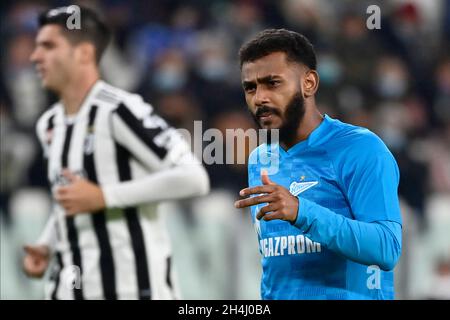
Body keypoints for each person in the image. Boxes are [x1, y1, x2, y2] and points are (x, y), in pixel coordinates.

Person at [23, 6, 210, 300]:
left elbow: (194, 178)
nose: (35, 56)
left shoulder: (120, 110)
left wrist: (104, 196)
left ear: (83, 53)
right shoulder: (50, 123)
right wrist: (47, 244)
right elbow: (70, 198)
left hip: (133, 288)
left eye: (48, 46)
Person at [234, 29, 402, 300]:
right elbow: (277, 266)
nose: (259, 98)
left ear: (309, 83)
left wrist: (301, 211)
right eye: (250, 87)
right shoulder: (260, 160)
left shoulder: (360, 148)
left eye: (272, 83)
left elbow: (386, 247)